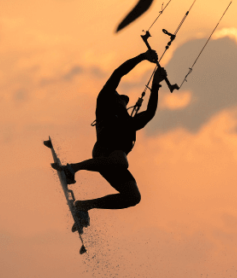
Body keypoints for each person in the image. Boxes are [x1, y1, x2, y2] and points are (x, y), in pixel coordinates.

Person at [57, 49, 167, 230]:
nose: (121, 99)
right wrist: (142, 57)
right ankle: (71, 169)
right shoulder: (104, 101)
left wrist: (155, 85)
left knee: (133, 197)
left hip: (115, 163)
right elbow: (119, 73)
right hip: (103, 152)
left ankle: (85, 205)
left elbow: (149, 113)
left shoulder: (129, 123)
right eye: (119, 96)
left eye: (124, 100)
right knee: (121, 161)